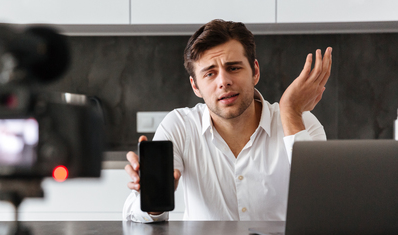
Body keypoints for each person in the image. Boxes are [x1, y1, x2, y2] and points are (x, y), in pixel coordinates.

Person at [123, 19, 332, 223]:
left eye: (233, 68)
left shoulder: (301, 122)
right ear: (195, 87)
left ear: (255, 72)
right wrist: (152, 197)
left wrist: (291, 113)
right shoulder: (179, 127)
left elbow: (323, 204)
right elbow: (134, 216)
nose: (223, 82)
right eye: (210, 73)